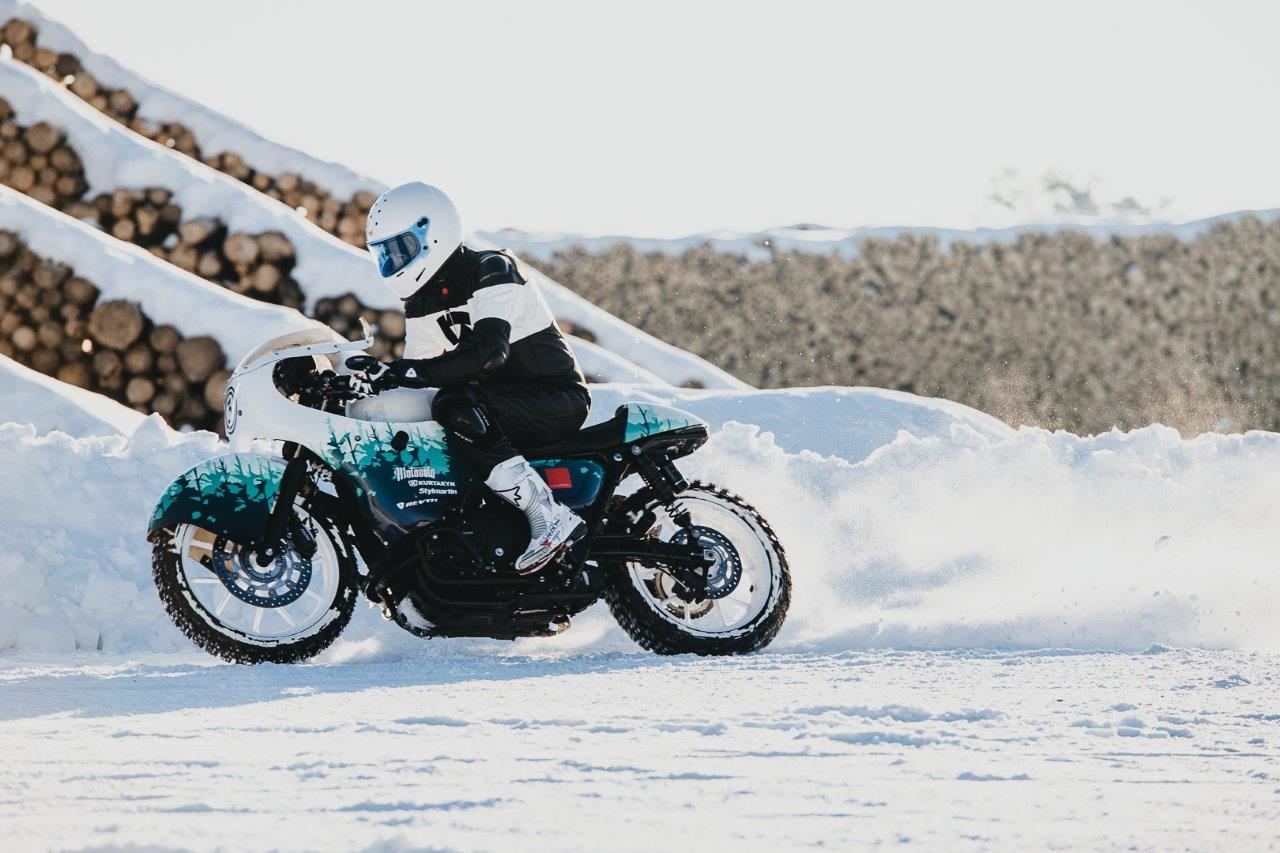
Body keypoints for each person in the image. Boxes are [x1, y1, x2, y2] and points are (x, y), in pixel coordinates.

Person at [349, 181, 589, 573]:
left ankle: (548, 515)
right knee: (434, 414)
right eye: (386, 254)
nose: (394, 261)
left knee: (453, 403)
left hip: (553, 399)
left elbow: (489, 353)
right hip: (498, 410)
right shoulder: (422, 302)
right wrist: (379, 383)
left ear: (434, 232)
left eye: (401, 248)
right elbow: (422, 378)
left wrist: (413, 372)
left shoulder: (491, 269)